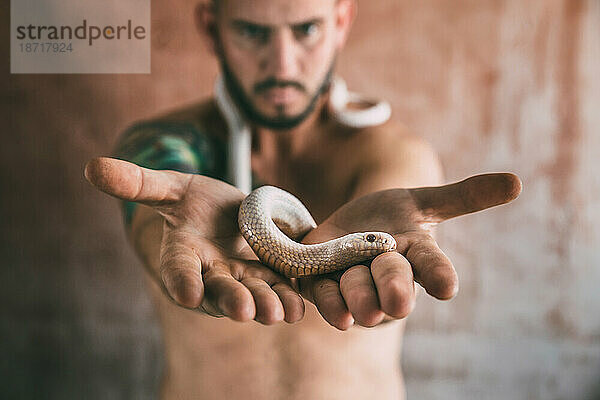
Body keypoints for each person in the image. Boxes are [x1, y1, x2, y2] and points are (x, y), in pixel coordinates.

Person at [84, 0, 521, 398]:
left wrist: (388, 295)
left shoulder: (393, 154)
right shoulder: (160, 151)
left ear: (341, 21)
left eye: (306, 29)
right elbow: (155, 244)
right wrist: (172, 259)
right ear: (210, 26)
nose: (282, 64)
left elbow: (395, 268)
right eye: (253, 32)